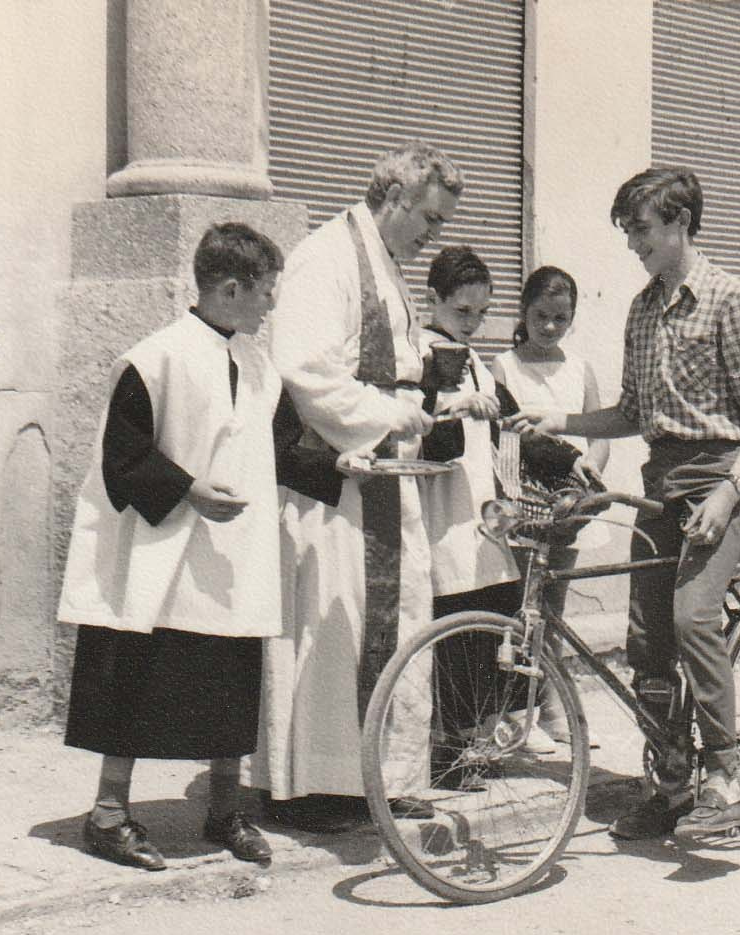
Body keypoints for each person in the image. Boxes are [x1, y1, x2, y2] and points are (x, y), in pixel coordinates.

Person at [507, 167, 740, 840]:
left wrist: (726, 492)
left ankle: (723, 778)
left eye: (641, 228)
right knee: (646, 643)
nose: (632, 242)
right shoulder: (640, 308)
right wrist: (558, 421)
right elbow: (631, 412)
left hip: (721, 482)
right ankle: (668, 783)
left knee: (692, 619)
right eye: (628, 229)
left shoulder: (728, 298)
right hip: (660, 489)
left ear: (679, 223)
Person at [58, 223, 291, 870]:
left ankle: (223, 810)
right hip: (163, 553)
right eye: (267, 291)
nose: (272, 304)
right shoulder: (153, 357)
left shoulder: (257, 364)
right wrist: (189, 490)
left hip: (232, 557)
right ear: (230, 287)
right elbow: (122, 456)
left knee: (230, 684)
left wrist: (351, 464)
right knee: (137, 681)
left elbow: (284, 446)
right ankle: (107, 815)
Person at [255, 141, 458, 833]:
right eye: (430, 217)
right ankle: (316, 783)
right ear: (394, 197)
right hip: (338, 478)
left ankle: (380, 774)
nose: (436, 234)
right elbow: (306, 368)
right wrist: (386, 414)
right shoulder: (327, 257)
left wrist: (427, 390)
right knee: (333, 622)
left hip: (384, 465)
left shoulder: (383, 261)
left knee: (395, 618)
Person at [414, 245, 528, 776]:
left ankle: (475, 737)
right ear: (431, 299)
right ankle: (449, 749)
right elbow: (424, 431)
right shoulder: (419, 354)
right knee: (453, 637)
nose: (474, 325)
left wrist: (571, 461)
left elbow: (514, 423)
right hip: (441, 515)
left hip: (482, 518)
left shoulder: (477, 362)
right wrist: (450, 405)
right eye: (463, 313)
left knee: (490, 627)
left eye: (482, 314)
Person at [491, 265, 609, 749]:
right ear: (524, 312)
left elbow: (597, 436)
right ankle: (518, 711)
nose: (550, 327)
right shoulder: (503, 367)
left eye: (561, 318)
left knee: (553, 610)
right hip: (524, 500)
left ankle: (551, 708)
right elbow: (501, 439)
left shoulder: (579, 368)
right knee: (522, 610)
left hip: (569, 501)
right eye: (541, 316)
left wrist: (588, 478)